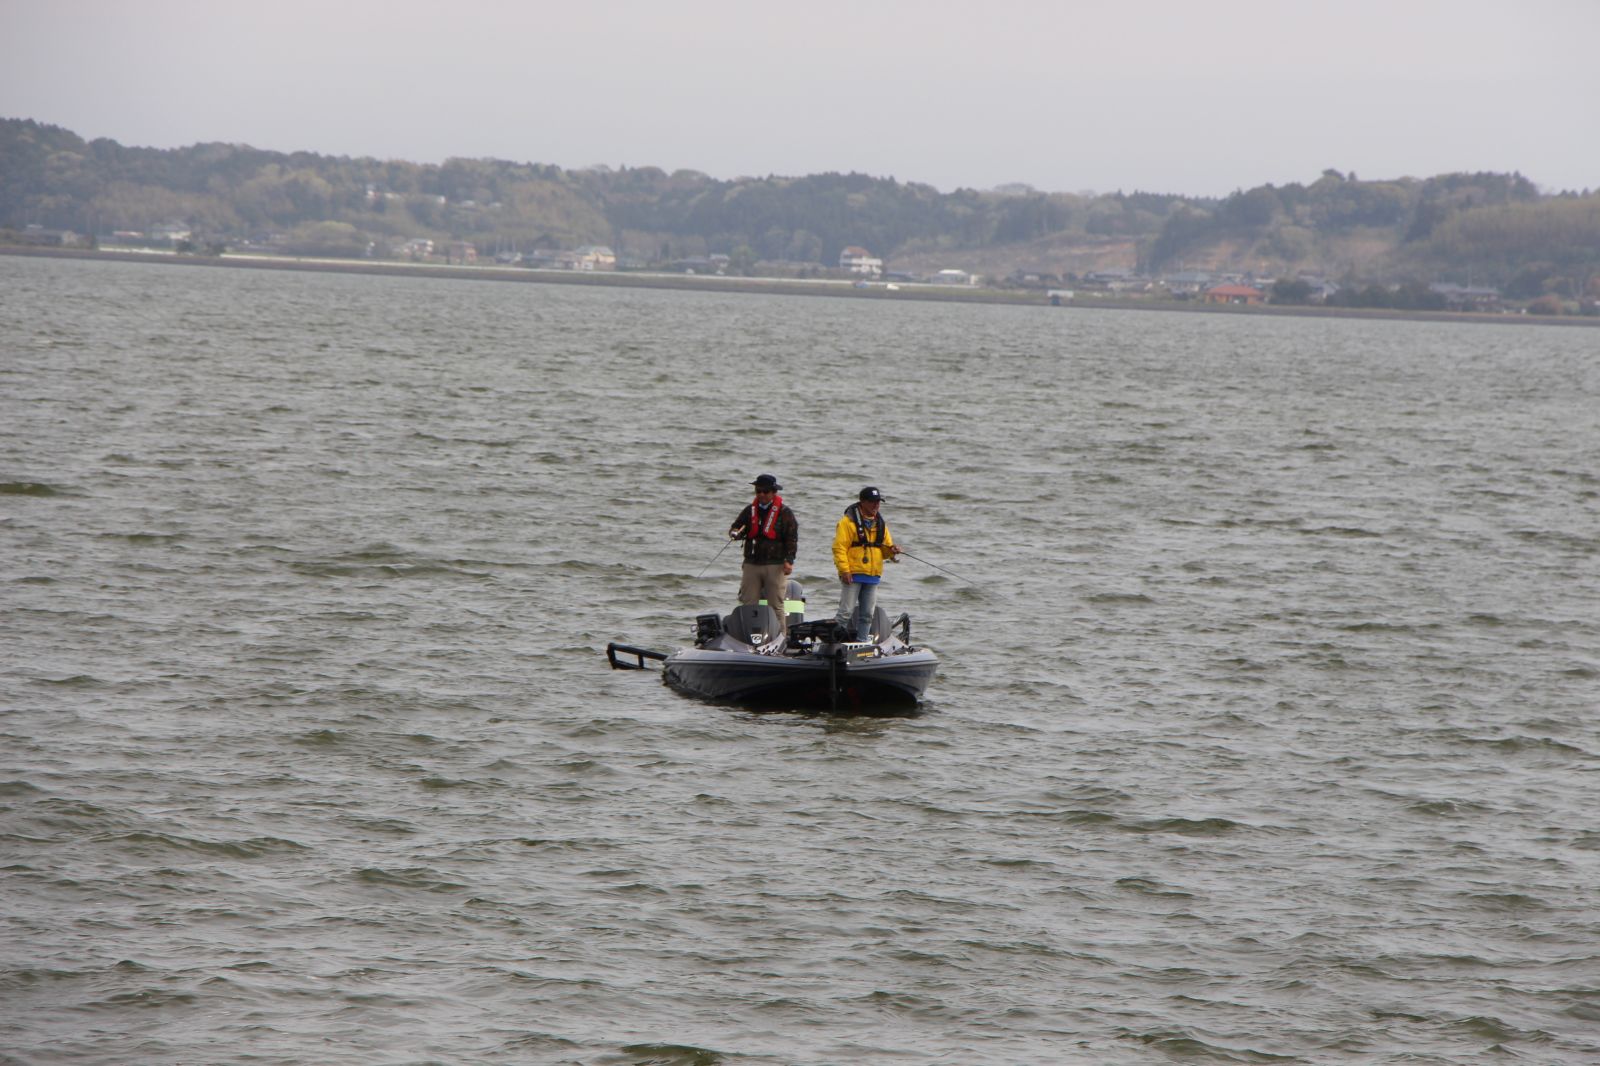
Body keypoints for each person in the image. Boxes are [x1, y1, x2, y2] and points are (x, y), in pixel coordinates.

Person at [728, 473, 798, 635]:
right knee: (748, 604)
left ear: (774, 492)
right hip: (752, 564)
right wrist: (735, 533)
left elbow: (792, 538)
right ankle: (749, 637)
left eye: (765, 491)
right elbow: (735, 527)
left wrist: (789, 560)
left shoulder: (785, 512)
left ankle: (781, 638)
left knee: (776, 605)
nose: (761, 494)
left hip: (776, 565)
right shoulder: (749, 510)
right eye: (758, 491)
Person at [832, 486, 902, 641]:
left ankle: (862, 641)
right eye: (872, 502)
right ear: (862, 502)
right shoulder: (847, 522)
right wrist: (844, 570)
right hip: (853, 574)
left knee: (867, 614)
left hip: (872, 575)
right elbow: (839, 548)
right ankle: (834, 642)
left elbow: (885, 551)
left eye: (878, 502)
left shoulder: (881, 524)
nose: (876, 505)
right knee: (845, 612)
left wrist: (892, 551)